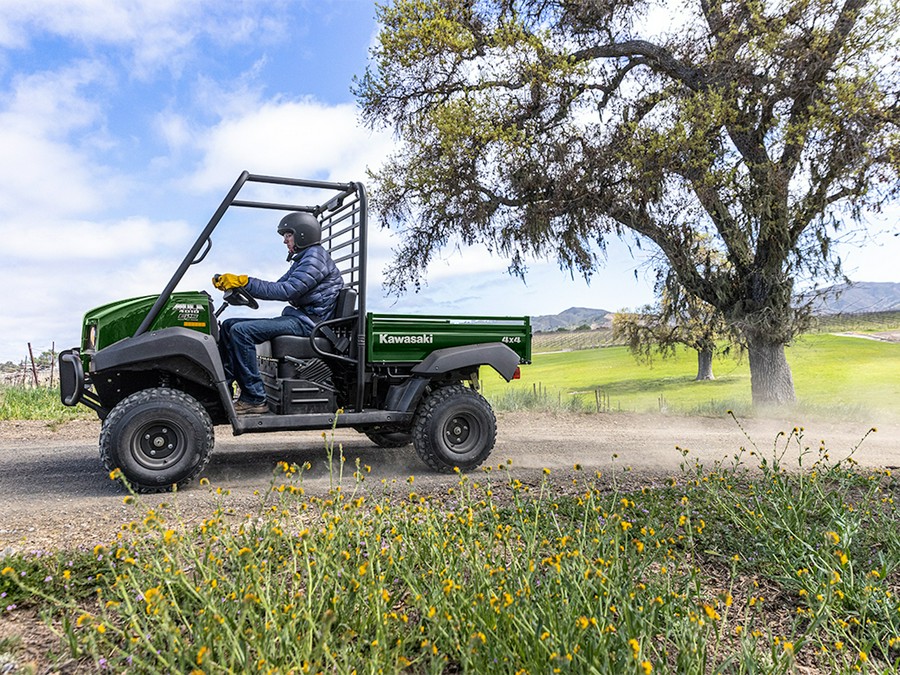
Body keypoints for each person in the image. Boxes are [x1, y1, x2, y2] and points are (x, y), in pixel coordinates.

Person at [213, 212, 344, 414]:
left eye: (288, 235)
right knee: (230, 325)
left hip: (310, 323)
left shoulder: (315, 259)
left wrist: (246, 282)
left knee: (241, 331)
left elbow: (287, 291)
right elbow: (278, 286)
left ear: (303, 234)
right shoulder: (304, 259)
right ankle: (223, 391)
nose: (285, 240)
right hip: (299, 318)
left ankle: (255, 399)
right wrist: (240, 284)